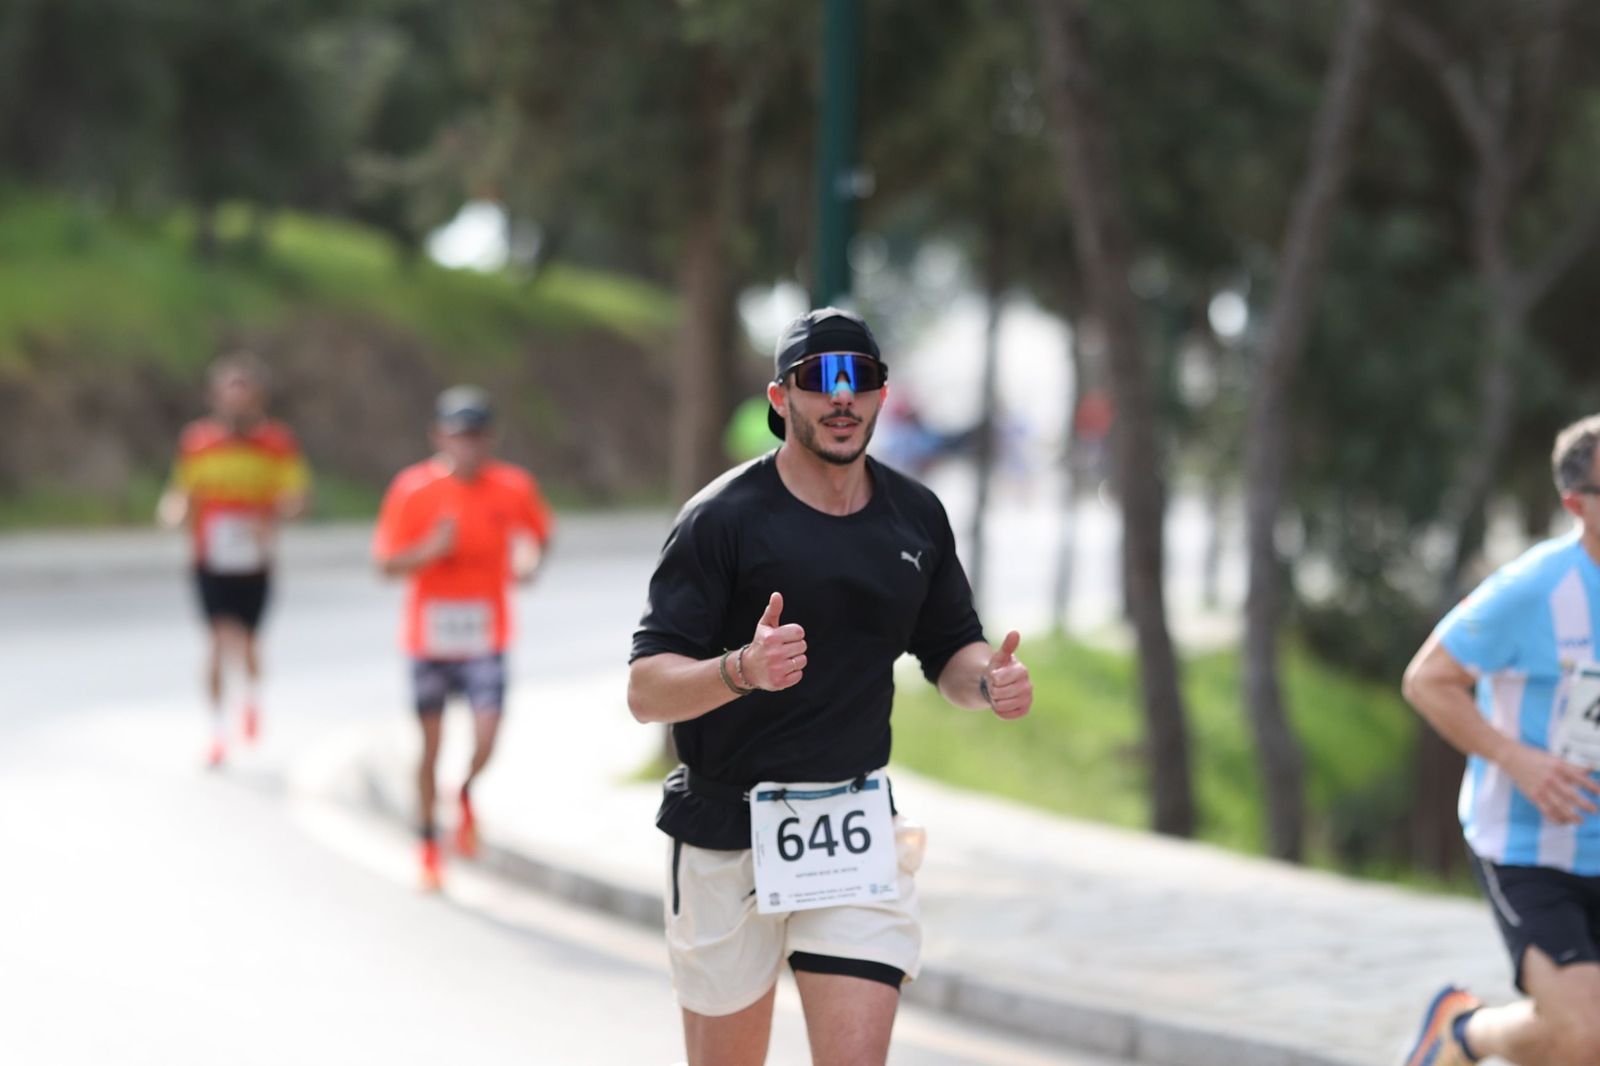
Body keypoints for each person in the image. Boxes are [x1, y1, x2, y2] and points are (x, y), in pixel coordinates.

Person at [628, 308, 1034, 1066]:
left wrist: (990, 682)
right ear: (782, 400)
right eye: (820, 382)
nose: (842, 399)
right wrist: (740, 671)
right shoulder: (721, 521)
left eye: (861, 381)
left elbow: (950, 649)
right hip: (726, 828)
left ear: (883, 395)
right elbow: (647, 690)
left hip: (850, 827)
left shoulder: (915, 516)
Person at [1400, 414, 1600, 1066]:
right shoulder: (1535, 589)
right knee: (1583, 1035)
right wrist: (1516, 758)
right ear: (1578, 505)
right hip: (1530, 848)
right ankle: (1461, 1035)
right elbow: (1427, 680)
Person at [372, 386, 554, 891]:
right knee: (429, 746)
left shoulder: (513, 487)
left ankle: (466, 791)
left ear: (489, 439)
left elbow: (538, 536)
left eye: (475, 436)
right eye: (457, 436)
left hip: (485, 635)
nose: (466, 446)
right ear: (439, 437)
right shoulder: (413, 490)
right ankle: (429, 845)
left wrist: (529, 563)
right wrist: (431, 549)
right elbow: (385, 564)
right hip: (428, 639)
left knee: (488, 734)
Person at [158, 352, 309, 768]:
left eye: (246, 397)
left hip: (254, 561)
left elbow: (296, 497)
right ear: (215, 398)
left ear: (259, 400)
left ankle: (251, 701)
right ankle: (217, 729)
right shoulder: (198, 441)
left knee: (249, 642)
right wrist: (172, 512)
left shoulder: (277, 443)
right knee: (217, 638)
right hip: (210, 557)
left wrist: (275, 516)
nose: (237, 405)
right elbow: (181, 491)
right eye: (230, 396)